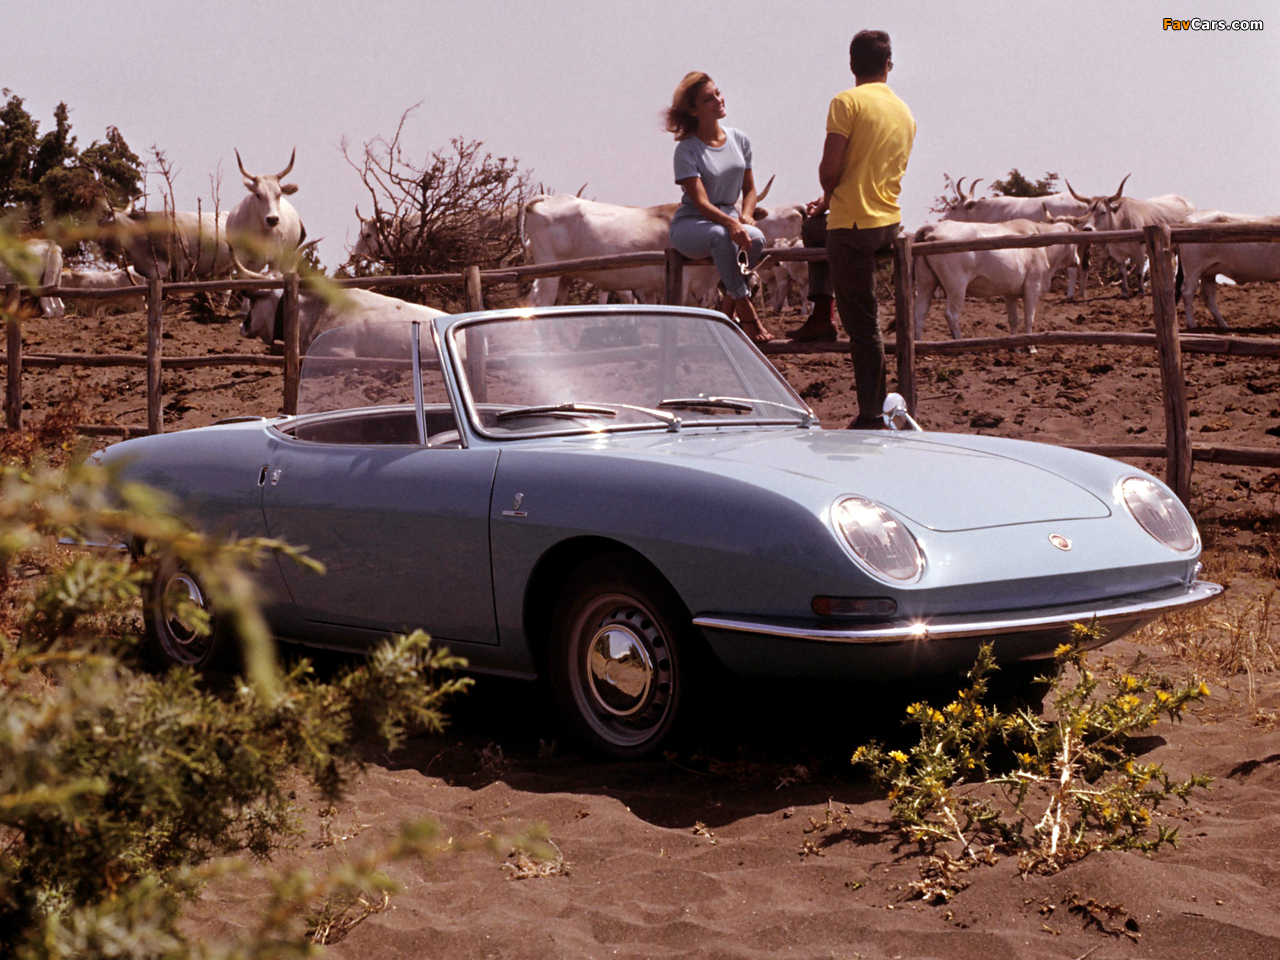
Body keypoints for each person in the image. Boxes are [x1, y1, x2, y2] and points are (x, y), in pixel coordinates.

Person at [792, 30, 915, 429]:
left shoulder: (846, 102)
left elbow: (830, 169)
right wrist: (828, 201)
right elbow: (872, 169)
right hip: (887, 222)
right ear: (888, 65)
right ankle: (821, 313)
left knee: (863, 325)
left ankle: (872, 414)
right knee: (814, 228)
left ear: (851, 65)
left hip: (854, 226)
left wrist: (829, 192)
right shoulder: (904, 112)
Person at [665, 72, 774, 343]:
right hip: (693, 223)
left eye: (718, 93)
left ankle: (726, 310)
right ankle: (747, 314)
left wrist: (745, 216)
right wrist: (732, 223)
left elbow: (750, 190)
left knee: (756, 239)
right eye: (708, 99)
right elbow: (701, 203)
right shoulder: (686, 150)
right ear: (693, 111)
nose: (718, 100)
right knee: (720, 236)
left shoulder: (740, 140)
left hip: (730, 221)